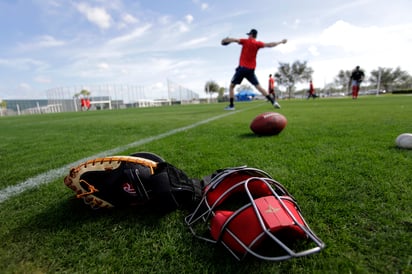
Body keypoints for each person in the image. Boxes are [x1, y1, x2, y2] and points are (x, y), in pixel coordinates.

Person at [221, 29, 287, 110]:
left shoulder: (245, 41)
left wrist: (226, 40)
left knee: (231, 86)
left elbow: (235, 40)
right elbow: (270, 44)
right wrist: (281, 42)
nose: (248, 36)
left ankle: (231, 106)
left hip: (242, 69)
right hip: (250, 70)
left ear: (251, 35)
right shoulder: (257, 43)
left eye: (249, 34)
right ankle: (273, 102)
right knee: (259, 87)